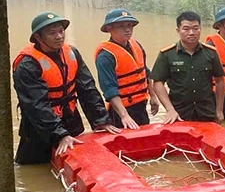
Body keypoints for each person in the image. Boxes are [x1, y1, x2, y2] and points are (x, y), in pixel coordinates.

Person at [12, 12, 115, 164]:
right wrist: (59, 135)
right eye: (52, 33)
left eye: (61, 31)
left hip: (71, 120)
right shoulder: (27, 65)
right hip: (39, 131)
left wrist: (101, 120)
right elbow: (36, 106)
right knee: (33, 170)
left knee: (79, 161)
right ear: (39, 38)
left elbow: (87, 89)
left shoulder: (72, 53)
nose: (59, 36)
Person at [151, 11, 225, 124]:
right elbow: (157, 83)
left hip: (206, 112)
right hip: (179, 114)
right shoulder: (167, 54)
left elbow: (220, 80)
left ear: (200, 29)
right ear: (178, 30)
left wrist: (219, 110)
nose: (191, 33)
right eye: (186, 29)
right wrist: (170, 110)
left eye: (196, 28)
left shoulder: (210, 53)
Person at [94, 9, 159, 130]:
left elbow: (145, 72)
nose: (127, 29)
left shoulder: (136, 45)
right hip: (120, 112)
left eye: (129, 25)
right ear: (109, 28)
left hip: (140, 106)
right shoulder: (105, 57)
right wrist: (124, 116)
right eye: (121, 26)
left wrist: (153, 97)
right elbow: (109, 89)